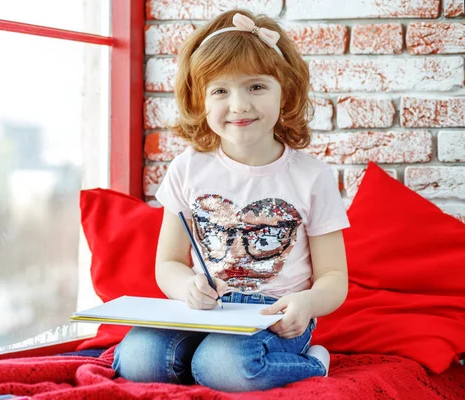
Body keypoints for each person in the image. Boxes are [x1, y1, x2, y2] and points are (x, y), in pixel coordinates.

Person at [113, 9, 350, 392]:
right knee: (139, 358)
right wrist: (186, 286)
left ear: (284, 91)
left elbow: (334, 278)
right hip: (206, 310)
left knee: (223, 365)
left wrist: (306, 303)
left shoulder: (311, 177)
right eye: (220, 91)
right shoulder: (187, 169)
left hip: (273, 317)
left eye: (256, 87)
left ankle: (312, 364)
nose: (238, 105)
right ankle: (200, 362)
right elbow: (169, 262)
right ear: (200, 100)